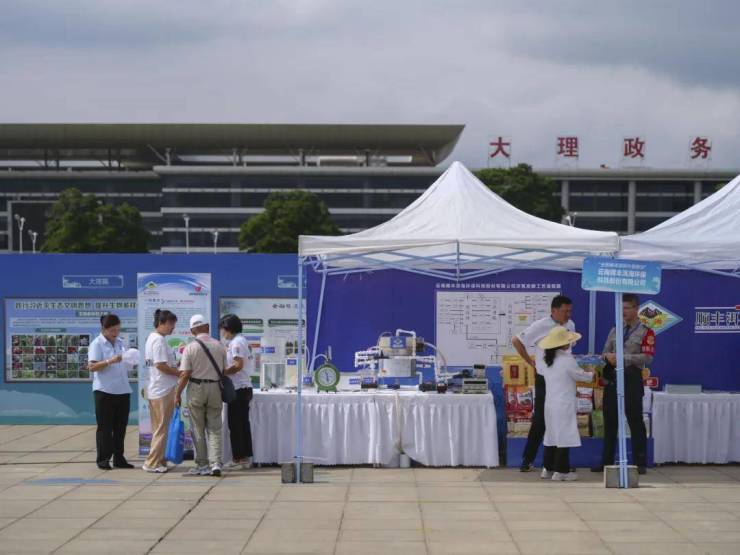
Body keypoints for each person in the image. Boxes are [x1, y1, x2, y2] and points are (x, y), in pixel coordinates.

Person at [512, 295, 575, 472]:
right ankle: (528, 459)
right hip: (545, 379)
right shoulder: (541, 325)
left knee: (561, 419)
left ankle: (558, 464)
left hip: (562, 379)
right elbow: (516, 340)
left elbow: (568, 351)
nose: (568, 315)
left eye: (570, 311)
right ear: (554, 311)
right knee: (541, 419)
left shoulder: (571, 325)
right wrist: (529, 361)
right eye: (565, 311)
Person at [592, 293, 654, 475]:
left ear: (636, 309)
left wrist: (622, 358)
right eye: (621, 308)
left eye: (626, 308)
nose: (623, 311)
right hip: (613, 378)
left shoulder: (646, 331)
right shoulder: (615, 330)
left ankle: (639, 462)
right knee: (610, 421)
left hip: (631, 378)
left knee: (635, 421)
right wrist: (608, 357)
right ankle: (606, 462)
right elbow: (604, 352)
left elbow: (647, 357)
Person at [535, 326, 593, 481]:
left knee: (551, 435)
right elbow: (582, 376)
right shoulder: (567, 360)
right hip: (563, 404)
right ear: (563, 344)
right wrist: (592, 372)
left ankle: (548, 468)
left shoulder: (546, 361)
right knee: (564, 436)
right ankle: (561, 471)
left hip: (550, 403)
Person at [175, 314, 227, 477]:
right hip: (215, 388)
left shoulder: (190, 348)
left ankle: (202, 464)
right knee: (215, 428)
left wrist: (177, 394)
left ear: (192, 331)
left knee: (197, 429)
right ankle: (216, 463)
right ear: (207, 327)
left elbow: (185, 374)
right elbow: (224, 370)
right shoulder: (219, 346)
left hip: (196, 388)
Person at [88, 313, 133, 470]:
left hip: (123, 390)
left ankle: (119, 458)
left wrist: (131, 359)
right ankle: (103, 459)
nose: (116, 333)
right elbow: (92, 366)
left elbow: (125, 361)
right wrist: (110, 361)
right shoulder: (97, 344)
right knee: (105, 428)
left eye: (118, 330)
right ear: (104, 329)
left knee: (120, 427)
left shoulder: (121, 342)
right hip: (104, 391)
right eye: (112, 330)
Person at [142, 309, 179, 473]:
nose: (173, 328)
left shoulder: (153, 338)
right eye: (171, 324)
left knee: (160, 427)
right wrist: (179, 372)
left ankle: (160, 459)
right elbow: (160, 365)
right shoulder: (158, 340)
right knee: (161, 428)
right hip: (162, 389)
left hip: (158, 388)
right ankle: (152, 463)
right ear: (161, 323)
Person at [219, 314, 255, 470]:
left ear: (228, 328)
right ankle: (244, 457)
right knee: (242, 424)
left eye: (222, 329)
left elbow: (238, 365)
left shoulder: (236, 343)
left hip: (239, 388)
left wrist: (222, 372)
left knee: (236, 425)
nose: (222, 333)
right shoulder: (240, 341)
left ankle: (239, 458)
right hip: (243, 387)